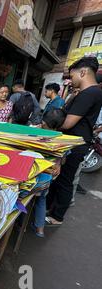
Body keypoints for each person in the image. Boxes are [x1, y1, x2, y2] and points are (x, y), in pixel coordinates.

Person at [46, 57, 102, 226]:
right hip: (75, 142)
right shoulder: (90, 93)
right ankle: (51, 208)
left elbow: (68, 122)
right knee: (61, 178)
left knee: (64, 180)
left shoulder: (89, 93)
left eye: (73, 75)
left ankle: (57, 216)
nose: (71, 80)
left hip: (75, 144)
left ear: (83, 72)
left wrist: (49, 126)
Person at [32, 109, 66, 237]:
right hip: (48, 177)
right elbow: (63, 159)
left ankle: (19, 224)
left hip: (35, 175)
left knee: (25, 199)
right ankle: (40, 229)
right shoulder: (62, 138)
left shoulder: (37, 134)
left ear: (44, 122)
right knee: (41, 200)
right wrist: (57, 163)